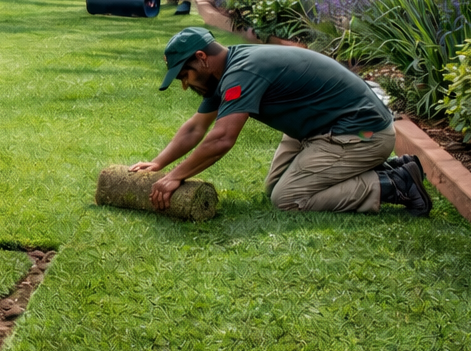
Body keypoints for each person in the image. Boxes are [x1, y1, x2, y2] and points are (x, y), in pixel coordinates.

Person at [133, 27, 431, 215]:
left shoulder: (241, 73)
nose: (185, 85)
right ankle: (394, 167)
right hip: (325, 129)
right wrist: (159, 164)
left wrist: (175, 177)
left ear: (202, 58)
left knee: (288, 199)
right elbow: (196, 127)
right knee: (275, 186)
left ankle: (395, 183)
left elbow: (222, 138)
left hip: (362, 133)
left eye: (185, 75)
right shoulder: (225, 72)